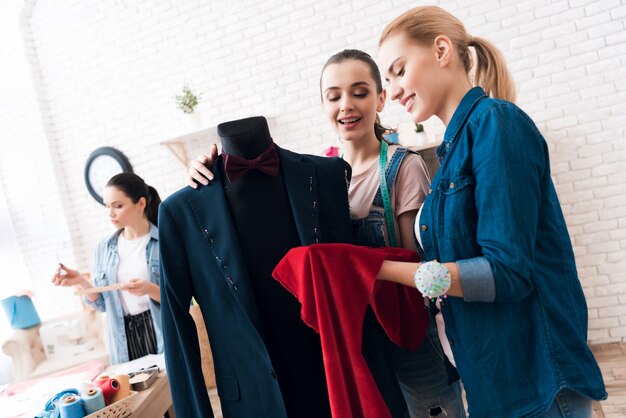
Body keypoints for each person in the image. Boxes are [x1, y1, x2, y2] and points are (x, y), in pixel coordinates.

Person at [188, 50, 466, 418]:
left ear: (381, 98)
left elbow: (416, 273)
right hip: (352, 343)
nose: (346, 105)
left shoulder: (403, 167)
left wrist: (352, 265)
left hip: (407, 343)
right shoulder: (312, 177)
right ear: (323, 104)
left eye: (360, 92)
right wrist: (208, 172)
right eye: (334, 96)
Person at [372, 5, 607, 417]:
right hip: (493, 382)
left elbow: (507, 271)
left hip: (536, 381)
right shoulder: (453, 152)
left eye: (398, 70)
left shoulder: (496, 124)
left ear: (441, 50)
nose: (391, 93)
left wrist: (375, 269)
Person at [159, 116, 356, 418]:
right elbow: (175, 321)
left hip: (330, 383)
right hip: (249, 397)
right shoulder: (180, 212)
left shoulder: (327, 175)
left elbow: (352, 287)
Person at [52, 172, 163, 365]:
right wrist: (81, 282)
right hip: (123, 337)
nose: (110, 214)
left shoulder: (164, 241)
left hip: (160, 329)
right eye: (107, 207)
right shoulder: (103, 248)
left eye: (118, 206)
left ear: (141, 204)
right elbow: (103, 305)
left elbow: (182, 299)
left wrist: (148, 289)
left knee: (171, 391)